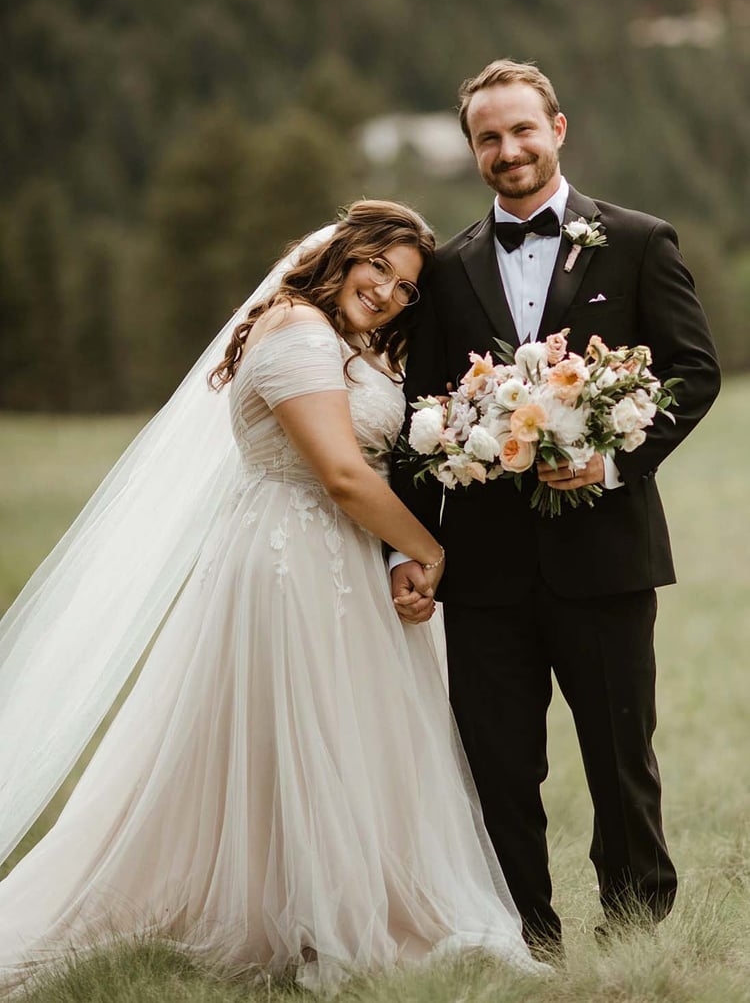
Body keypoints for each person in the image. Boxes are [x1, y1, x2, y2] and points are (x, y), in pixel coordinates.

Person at [0, 200, 545, 992]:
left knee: (343, 734)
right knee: (309, 727)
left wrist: (396, 553)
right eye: (378, 269)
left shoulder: (340, 341)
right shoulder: (294, 331)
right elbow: (341, 472)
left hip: (343, 558)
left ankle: (322, 901)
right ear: (342, 255)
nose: (390, 293)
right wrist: (429, 549)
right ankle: (321, 915)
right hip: (292, 557)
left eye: (405, 287)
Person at [390, 60, 721, 958]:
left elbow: (696, 374)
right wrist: (405, 552)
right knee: (498, 765)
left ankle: (637, 934)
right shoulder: (447, 269)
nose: (509, 150)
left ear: (558, 129)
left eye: (522, 131)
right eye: (489, 138)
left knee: (621, 760)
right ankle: (523, 937)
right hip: (487, 571)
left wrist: (611, 463)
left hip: (608, 556)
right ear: (472, 151)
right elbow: (422, 419)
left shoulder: (641, 240)